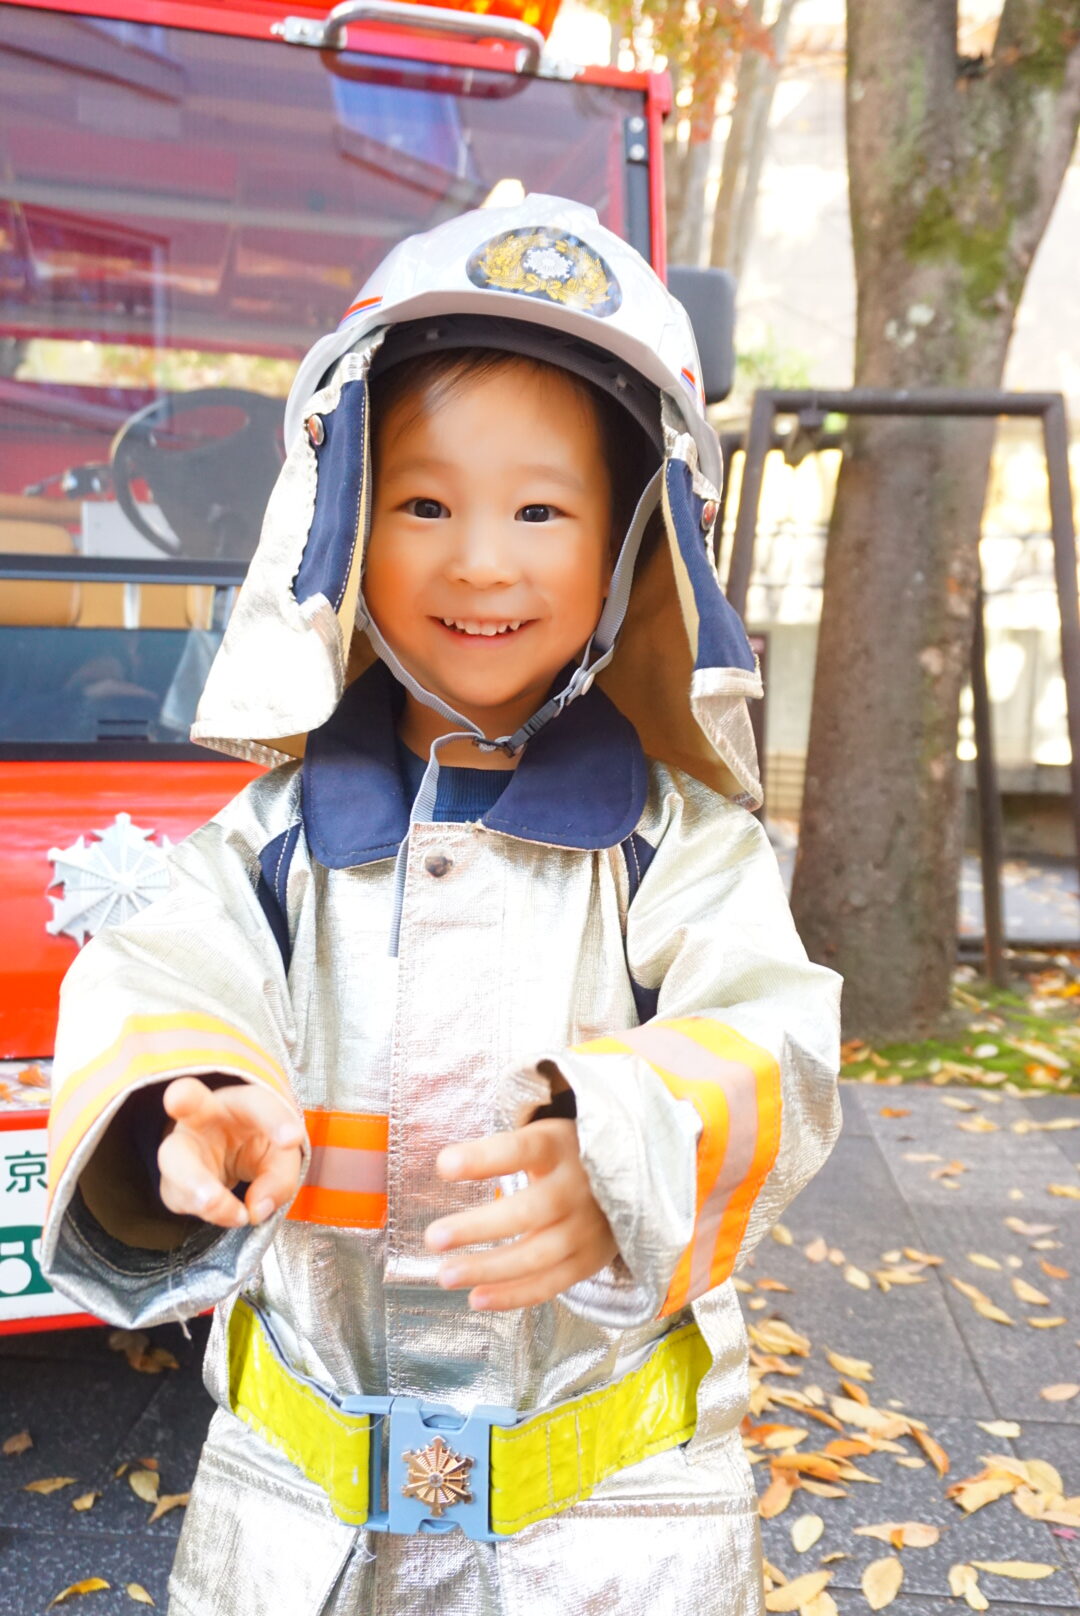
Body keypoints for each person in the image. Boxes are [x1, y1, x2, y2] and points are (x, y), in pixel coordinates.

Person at [42, 195, 842, 1616]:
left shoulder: (675, 843)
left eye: (541, 509)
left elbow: (773, 1034)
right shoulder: (276, 836)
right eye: (423, 503)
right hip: (299, 1538)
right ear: (340, 520)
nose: (480, 559)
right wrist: (189, 1098)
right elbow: (158, 970)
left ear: (636, 543)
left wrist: (628, 1150)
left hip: (613, 1539)